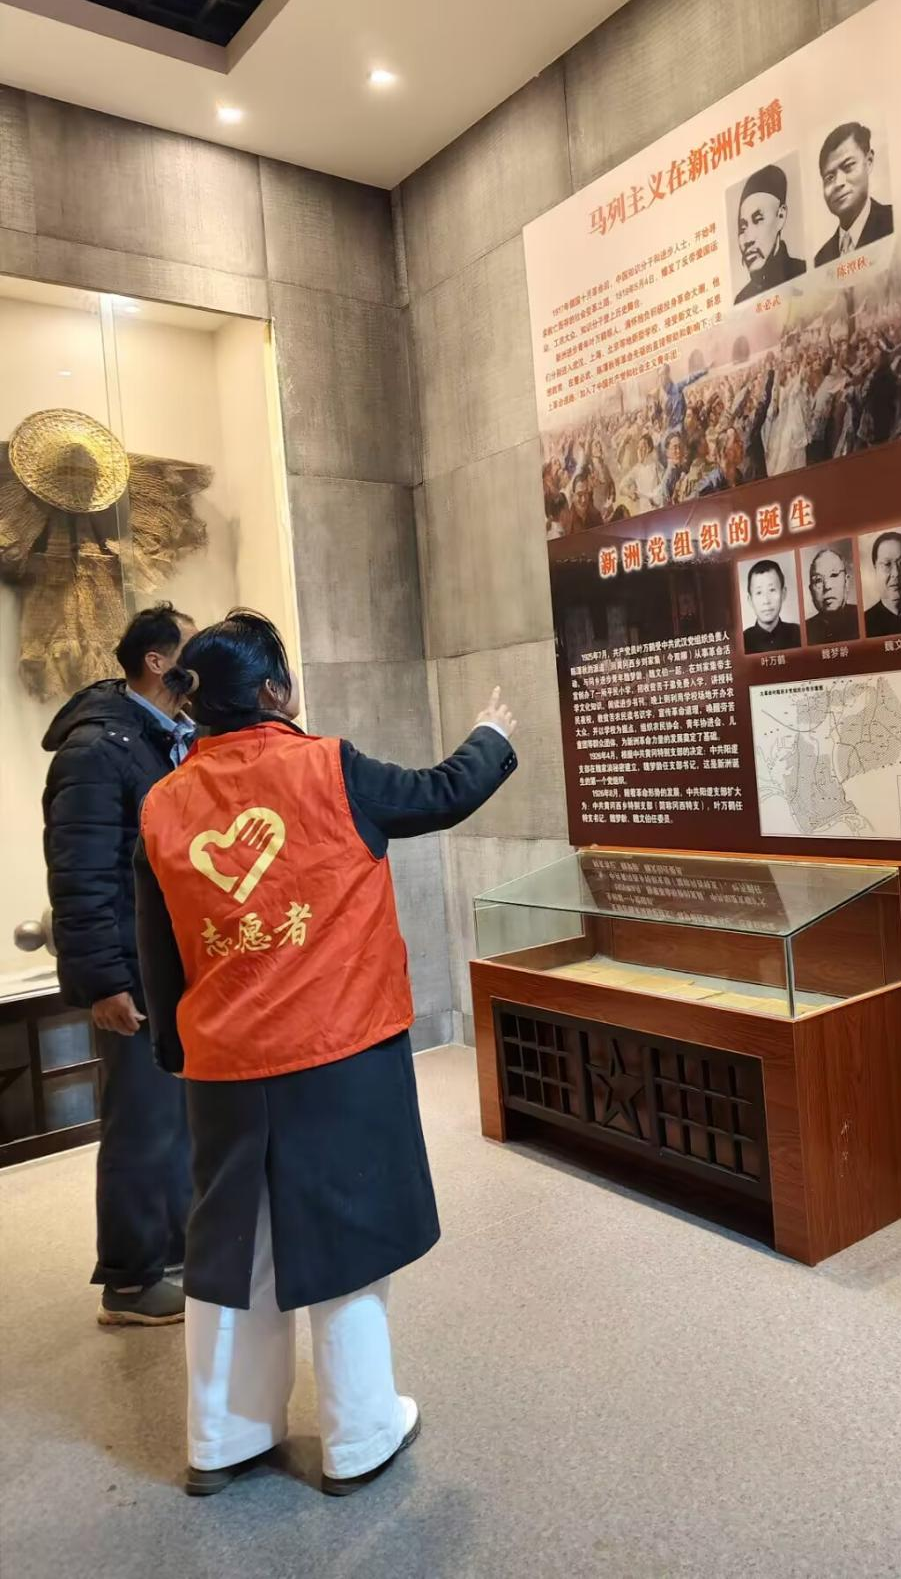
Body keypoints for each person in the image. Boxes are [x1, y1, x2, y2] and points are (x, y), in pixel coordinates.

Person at [132, 611, 518, 1497]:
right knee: (346, 1239)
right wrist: (492, 735)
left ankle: (222, 1438)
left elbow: (159, 942)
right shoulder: (329, 767)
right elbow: (439, 793)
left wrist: (173, 1045)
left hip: (223, 1062)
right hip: (338, 1050)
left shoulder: (163, 802)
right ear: (275, 692)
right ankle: (359, 1435)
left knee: (234, 1250)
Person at [42, 602, 197, 1327]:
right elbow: (80, 877)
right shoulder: (96, 750)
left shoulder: (168, 736)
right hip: (131, 971)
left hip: (172, 965)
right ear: (158, 662)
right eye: (192, 648)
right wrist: (104, 981)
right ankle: (130, 1283)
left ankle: (177, 1251)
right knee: (140, 1124)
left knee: (177, 1119)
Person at [813, 123, 894, 266]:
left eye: (848, 166)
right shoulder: (821, 259)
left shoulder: (894, 221)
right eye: (829, 177)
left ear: (868, 162)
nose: (838, 183)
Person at [734, 165, 806, 304]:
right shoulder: (742, 300)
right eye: (742, 228)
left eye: (758, 220)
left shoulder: (803, 272)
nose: (748, 239)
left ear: (781, 216)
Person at [742, 559, 800, 654]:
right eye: (759, 592)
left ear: (783, 593)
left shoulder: (798, 633)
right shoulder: (742, 642)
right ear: (750, 600)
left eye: (772, 590)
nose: (766, 601)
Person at [805, 545, 859, 644]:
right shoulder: (804, 631)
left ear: (846, 582)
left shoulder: (863, 617)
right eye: (818, 580)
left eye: (834, 575)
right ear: (811, 590)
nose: (827, 586)